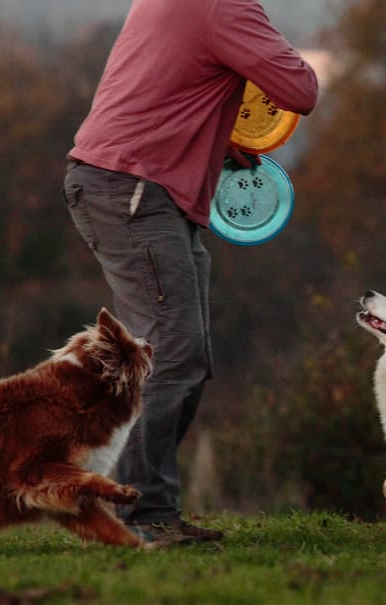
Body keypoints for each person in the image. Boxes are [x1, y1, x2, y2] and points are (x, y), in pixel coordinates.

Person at [62, 0, 318, 546]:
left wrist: (217, 137)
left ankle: (142, 505)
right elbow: (300, 90)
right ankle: (136, 513)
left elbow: (165, 83)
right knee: (171, 354)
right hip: (132, 189)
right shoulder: (223, 5)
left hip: (132, 187)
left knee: (185, 357)